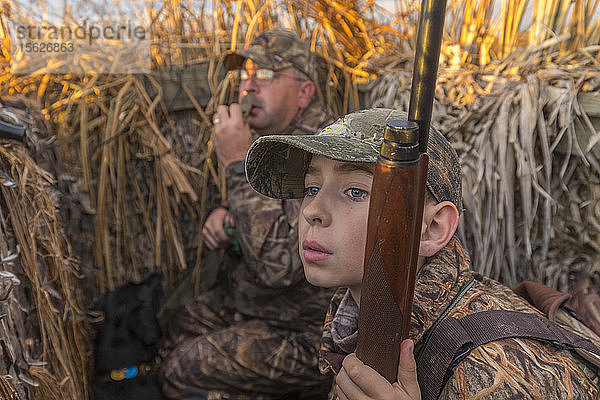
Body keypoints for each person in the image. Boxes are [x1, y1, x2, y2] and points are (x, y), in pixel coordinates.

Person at [244, 107, 600, 400]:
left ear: (431, 229)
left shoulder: (496, 368)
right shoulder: (361, 319)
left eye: (355, 192)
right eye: (311, 187)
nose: (311, 211)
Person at [160, 29, 335, 400]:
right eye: (245, 75)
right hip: (259, 306)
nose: (249, 86)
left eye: (267, 75)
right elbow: (270, 212)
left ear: (304, 93)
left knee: (182, 371)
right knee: (178, 325)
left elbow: (279, 266)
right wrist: (229, 214)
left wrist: (238, 165)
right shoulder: (270, 141)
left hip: (310, 332)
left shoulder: (324, 154)